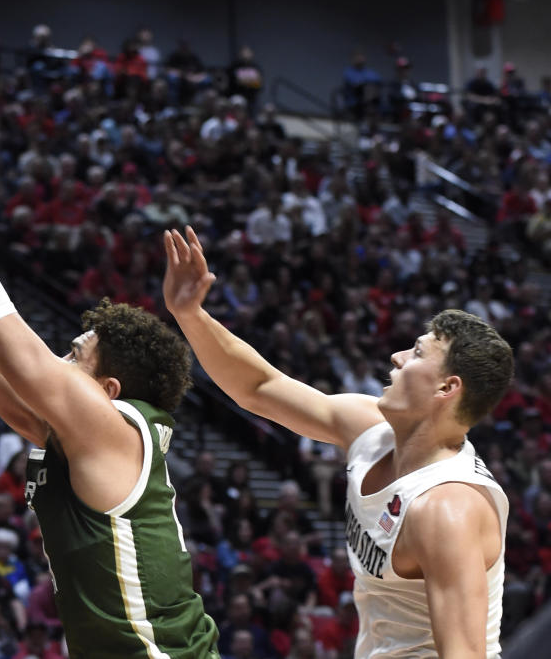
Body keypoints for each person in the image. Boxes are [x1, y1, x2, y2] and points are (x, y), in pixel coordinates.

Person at [0, 127, 218, 657]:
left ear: (108, 390)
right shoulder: (82, 437)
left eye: (73, 358)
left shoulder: (111, 430)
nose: (58, 364)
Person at [162, 226, 514, 657]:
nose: (397, 357)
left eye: (417, 353)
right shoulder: (370, 427)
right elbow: (259, 387)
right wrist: (190, 315)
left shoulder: (448, 510)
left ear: (446, 389)